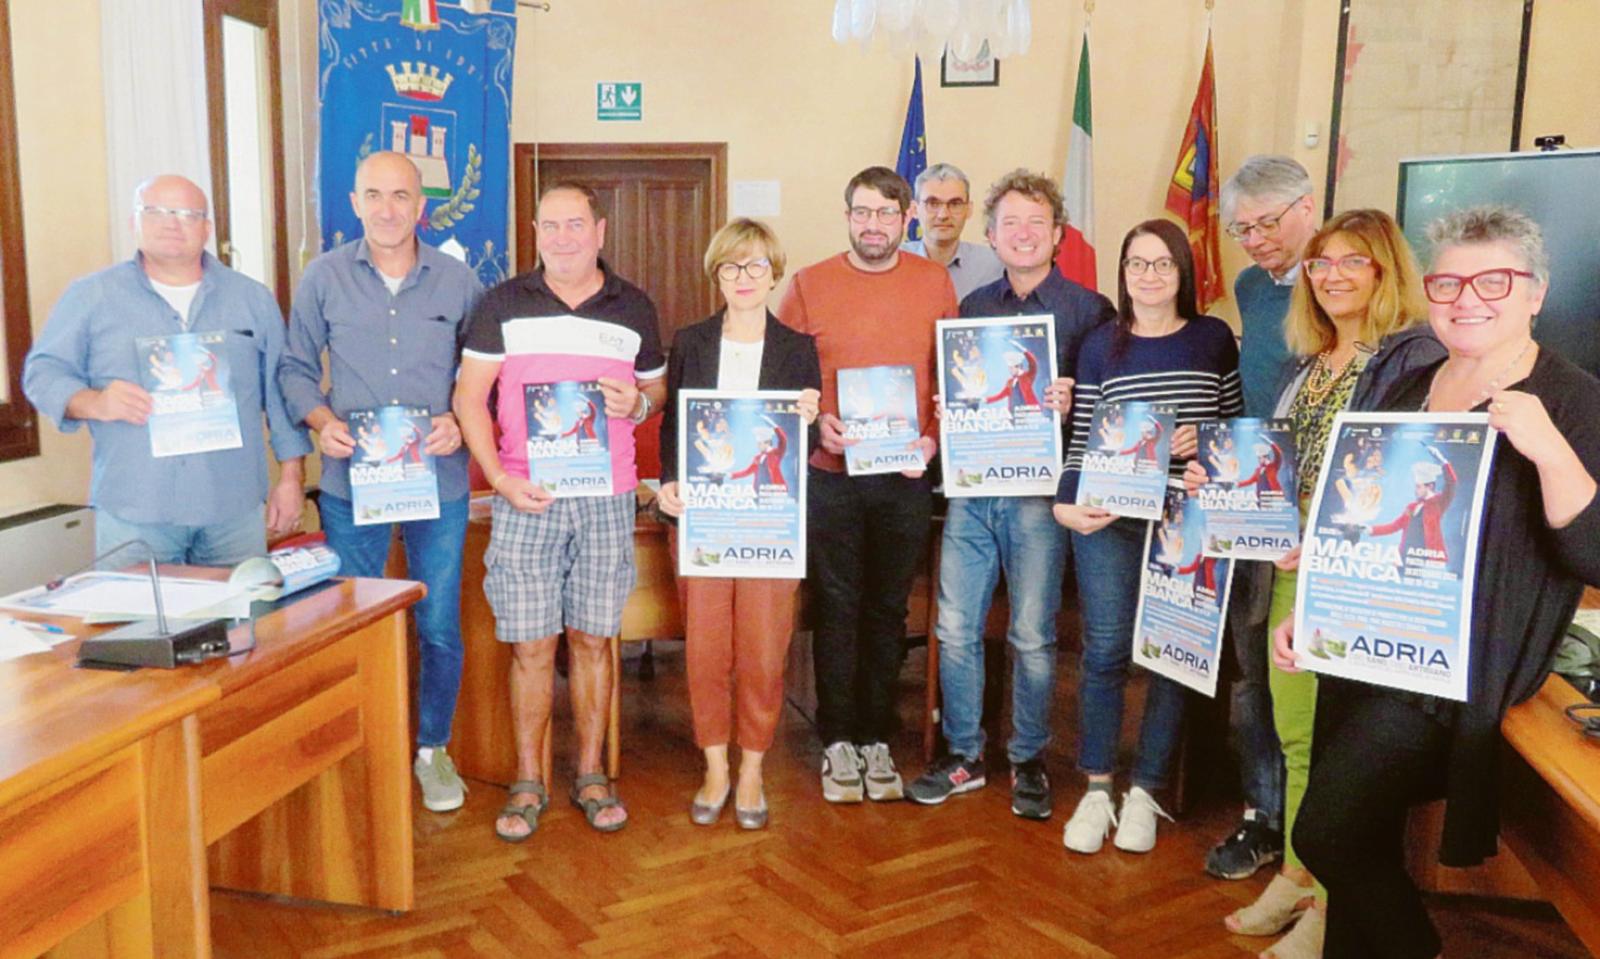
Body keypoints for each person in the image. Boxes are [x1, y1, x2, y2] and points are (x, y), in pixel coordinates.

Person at [1283, 206, 1600, 959]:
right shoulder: (1408, 387)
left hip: (1457, 672)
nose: (1467, 298)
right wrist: (1313, 592)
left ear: (1535, 292)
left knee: (1325, 831)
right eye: (1448, 281)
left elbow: (1594, 557)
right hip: (1362, 643)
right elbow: (1359, 513)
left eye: (1493, 279)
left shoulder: (1574, 399)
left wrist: (1550, 449)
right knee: (1364, 838)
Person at [1193, 208, 1442, 959]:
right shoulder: (1310, 363)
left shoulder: (1409, 363)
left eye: (1352, 262)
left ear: (1384, 270)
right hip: (1285, 569)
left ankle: (1337, 898)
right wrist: (1225, 480)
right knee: (1292, 732)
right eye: (1321, 262)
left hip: (1352, 577)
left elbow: (1406, 482)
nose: (1331, 275)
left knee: (1337, 747)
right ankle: (1304, 875)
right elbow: (1276, 466)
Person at [453, 181, 667, 841]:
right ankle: (527, 778)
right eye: (551, 225)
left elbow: (655, 389)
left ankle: (592, 774)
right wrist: (498, 480)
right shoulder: (501, 304)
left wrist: (638, 404)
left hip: (607, 498)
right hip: (527, 497)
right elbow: (468, 400)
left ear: (600, 231)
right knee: (532, 645)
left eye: (576, 224)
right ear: (537, 232)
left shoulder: (634, 305)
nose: (564, 236)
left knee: (595, 640)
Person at [279, 152, 484, 814]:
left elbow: (483, 374)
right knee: (354, 618)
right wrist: (320, 419)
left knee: (438, 622)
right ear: (355, 200)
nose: (388, 208)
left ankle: (432, 749)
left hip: (440, 482)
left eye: (401, 195)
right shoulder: (324, 277)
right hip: (351, 482)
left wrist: (458, 416)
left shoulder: (459, 280)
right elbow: (292, 366)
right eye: (374, 194)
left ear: (421, 204)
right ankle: (358, 740)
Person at [907, 170, 1114, 818]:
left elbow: (1109, 413)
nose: (1022, 234)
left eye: (1036, 223)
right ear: (991, 236)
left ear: (1057, 234)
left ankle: (1028, 758)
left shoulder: (1090, 312)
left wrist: (1074, 400)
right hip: (973, 489)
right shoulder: (972, 310)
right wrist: (949, 409)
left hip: (1040, 498)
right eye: (1009, 224)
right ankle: (965, 753)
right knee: (955, 625)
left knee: (1031, 632)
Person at [1051, 219, 1242, 855]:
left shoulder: (1213, 339)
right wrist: (1062, 504)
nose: (1150, 275)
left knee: (1170, 657)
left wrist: (1204, 445)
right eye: (1138, 263)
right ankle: (1099, 786)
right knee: (1104, 651)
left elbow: (1236, 431)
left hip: (1185, 519)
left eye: (1163, 264)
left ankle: (1147, 790)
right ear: (1123, 272)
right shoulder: (1101, 344)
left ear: (1183, 272)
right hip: (1107, 519)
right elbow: (1082, 440)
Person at [778, 166, 957, 804]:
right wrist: (814, 423)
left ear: (906, 218)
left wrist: (932, 439)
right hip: (832, 476)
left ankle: (877, 736)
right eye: (862, 212)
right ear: (847, 215)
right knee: (837, 606)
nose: (873, 224)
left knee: (887, 609)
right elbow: (785, 378)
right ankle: (837, 742)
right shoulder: (808, 284)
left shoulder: (934, 282)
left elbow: (951, 376)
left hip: (905, 477)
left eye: (885, 213)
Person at [23, 174, 309, 565]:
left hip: (233, 508)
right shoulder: (91, 296)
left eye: (187, 214)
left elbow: (282, 395)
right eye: (156, 211)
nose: (172, 224)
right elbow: (42, 374)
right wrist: (94, 402)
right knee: (137, 625)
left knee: (241, 624)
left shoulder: (251, 299)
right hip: (136, 508)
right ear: (133, 223)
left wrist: (292, 479)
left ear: (206, 228)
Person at [655, 218, 821, 829]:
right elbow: (675, 425)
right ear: (716, 275)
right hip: (703, 523)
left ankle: (752, 766)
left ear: (774, 274)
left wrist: (807, 416)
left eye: (755, 266)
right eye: (731, 266)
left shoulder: (798, 348)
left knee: (761, 650)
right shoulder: (692, 340)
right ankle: (715, 765)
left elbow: (799, 450)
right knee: (704, 651)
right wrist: (670, 480)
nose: (743, 278)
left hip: (769, 527)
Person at [1206, 155, 1323, 881]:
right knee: (1250, 669)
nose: (1253, 240)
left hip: (1319, 515)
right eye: (1241, 228)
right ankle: (1263, 815)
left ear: (1308, 207)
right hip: (1253, 503)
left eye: (1267, 223)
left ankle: (1312, 842)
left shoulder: (1346, 280)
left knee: (1304, 675)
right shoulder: (1250, 288)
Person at [902, 163, 1004, 300]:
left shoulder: (992, 265)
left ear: (969, 210)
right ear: (914, 209)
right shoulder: (894, 262)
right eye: (933, 204)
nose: (943, 215)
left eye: (955, 204)